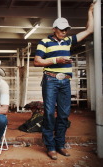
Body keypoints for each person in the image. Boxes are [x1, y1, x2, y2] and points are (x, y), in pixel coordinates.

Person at [34, 3, 95, 160]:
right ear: (54, 29)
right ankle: (50, 146)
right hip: (50, 80)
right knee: (48, 113)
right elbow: (37, 61)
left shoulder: (68, 41)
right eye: (61, 29)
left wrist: (90, 11)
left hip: (65, 81)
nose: (64, 32)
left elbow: (90, 30)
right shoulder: (44, 42)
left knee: (63, 114)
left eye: (66, 29)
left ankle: (60, 144)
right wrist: (56, 60)